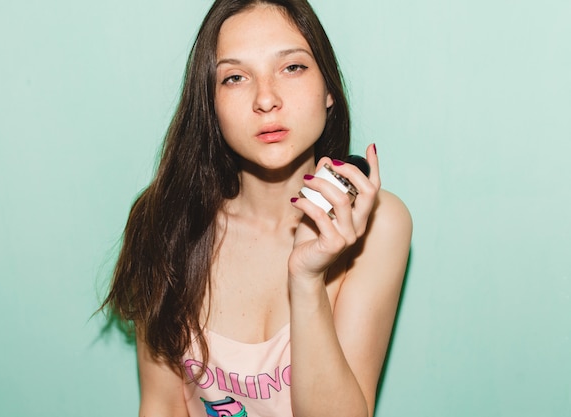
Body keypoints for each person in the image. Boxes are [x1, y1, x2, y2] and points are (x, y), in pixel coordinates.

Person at [103, 0, 412, 416]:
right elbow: (161, 406)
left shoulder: (377, 224)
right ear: (211, 106)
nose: (266, 99)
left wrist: (306, 278)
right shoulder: (164, 217)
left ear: (329, 92)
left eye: (292, 68)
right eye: (235, 77)